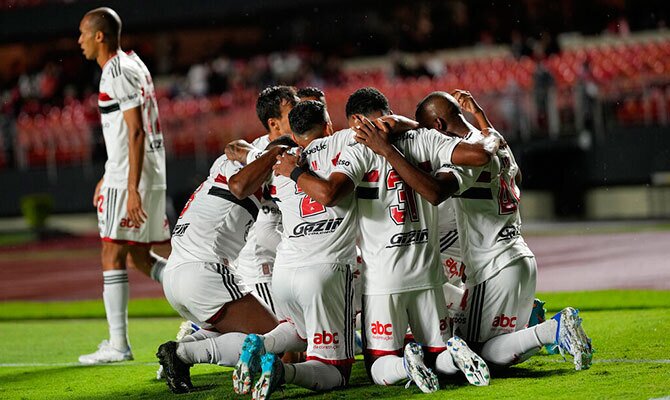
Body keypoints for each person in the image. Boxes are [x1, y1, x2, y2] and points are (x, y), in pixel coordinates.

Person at [273, 88, 496, 393]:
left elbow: (331, 193)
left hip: (383, 279)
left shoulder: (357, 147)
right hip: (428, 274)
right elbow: (479, 155)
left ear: (355, 120)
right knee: (438, 352)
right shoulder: (425, 138)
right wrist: (483, 126)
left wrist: (294, 170)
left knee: (378, 366)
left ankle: (406, 365)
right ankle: (453, 357)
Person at [415, 90, 593, 370]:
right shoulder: (494, 144)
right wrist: (481, 118)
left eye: (429, 135)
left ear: (437, 127)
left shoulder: (467, 155)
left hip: (493, 265)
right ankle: (542, 327)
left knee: (474, 352)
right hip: (519, 257)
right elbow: (517, 176)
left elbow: (436, 191)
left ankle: (553, 330)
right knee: (494, 346)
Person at [156, 141, 290, 394]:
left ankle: (185, 348)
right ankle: (183, 353)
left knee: (238, 335)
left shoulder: (225, 171)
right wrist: (274, 154)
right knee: (274, 341)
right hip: (204, 272)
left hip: (177, 275)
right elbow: (239, 183)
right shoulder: (237, 165)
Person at [77, 7, 170, 364]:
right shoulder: (134, 63)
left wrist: (129, 187)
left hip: (133, 176)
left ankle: (118, 345)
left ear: (100, 36)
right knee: (139, 256)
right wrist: (108, 172)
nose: (79, 41)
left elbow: (135, 130)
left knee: (112, 253)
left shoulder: (116, 71)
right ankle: (197, 294)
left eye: (83, 33)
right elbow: (125, 130)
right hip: (135, 171)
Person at [232, 86, 299, 313]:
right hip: (262, 263)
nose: (300, 113)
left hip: (287, 254)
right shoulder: (256, 152)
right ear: (274, 123)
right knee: (285, 340)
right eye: (293, 110)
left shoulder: (303, 145)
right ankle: (201, 341)